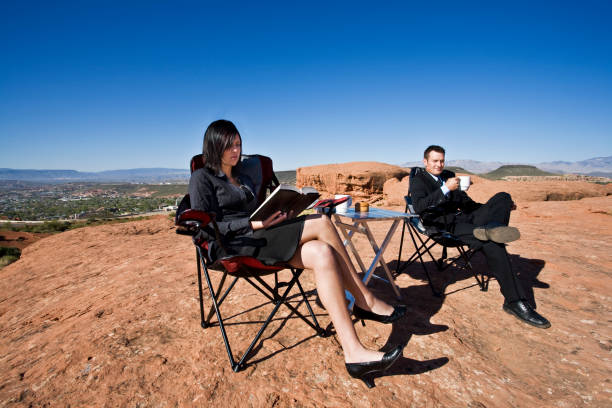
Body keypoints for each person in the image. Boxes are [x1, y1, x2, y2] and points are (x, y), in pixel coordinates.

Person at [188, 119, 407, 387]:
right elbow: (205, 229)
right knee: (322, 222)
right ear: (213, 146)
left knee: (322, 252)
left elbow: (259, 211)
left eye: (238, 144)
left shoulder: (243, 175)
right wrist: (252, 223)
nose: (236, 151)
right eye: (228, 146)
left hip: (263, 236)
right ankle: (365, 300)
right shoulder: (202, 178)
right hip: (236, 245)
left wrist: (280, 214)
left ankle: (354, 354)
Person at [409, 145, 550, 329]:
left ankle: (492, 227)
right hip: (445, 225)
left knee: (503, 197)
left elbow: (466, 203)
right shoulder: (419, 180)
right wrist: (444, 189)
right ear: (425, 161)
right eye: (435, 161)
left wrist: (496, 209)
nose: (439, 164)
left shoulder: (448, 175)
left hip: (465, 218)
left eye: (442, 160)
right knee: (493, 243)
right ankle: (514, 301)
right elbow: (419, 207)